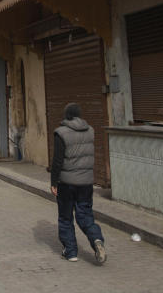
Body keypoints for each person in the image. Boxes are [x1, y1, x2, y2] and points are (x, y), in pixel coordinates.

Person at [50, 103, 106, 265]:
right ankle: (96, 239)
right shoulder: (90, 131)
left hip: (66, 183)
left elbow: (58, 160)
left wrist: (53, 182)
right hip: (86, 182)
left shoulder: (61, 133)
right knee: (85, 215)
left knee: (66, 217)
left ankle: (71, 252)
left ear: (65, 115)